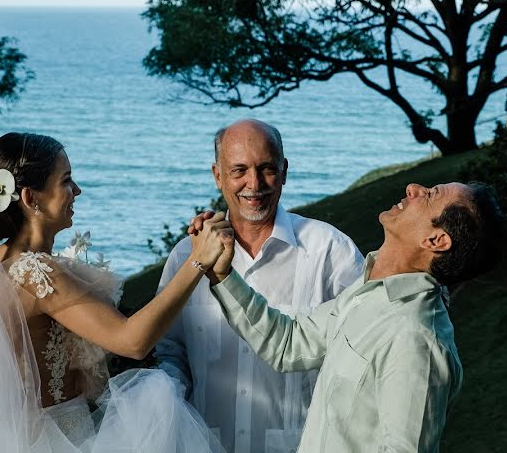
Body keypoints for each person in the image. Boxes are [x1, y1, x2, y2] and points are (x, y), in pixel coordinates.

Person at [0, 132, 233, 453]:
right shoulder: (36, 274)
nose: (77, 190)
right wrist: (197, 259)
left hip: (2, 440)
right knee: (157, 395)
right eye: (66, 181)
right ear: (31, 198)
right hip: (59, 441)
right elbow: (133, 341)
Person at [201, 181, 507, 453]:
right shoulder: (368, 291)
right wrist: (222, 274)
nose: (413, 188)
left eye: (429, 195)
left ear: (436, 241)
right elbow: (289, 343)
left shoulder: (416, 339)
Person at [155, 119, 364, 453]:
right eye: (239, 170)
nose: (254, 184)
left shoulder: (330, 250)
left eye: (266, 168)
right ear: (217, 175)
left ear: (284, 170)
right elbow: (169, 352)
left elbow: (363, 350)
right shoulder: (186, 255)